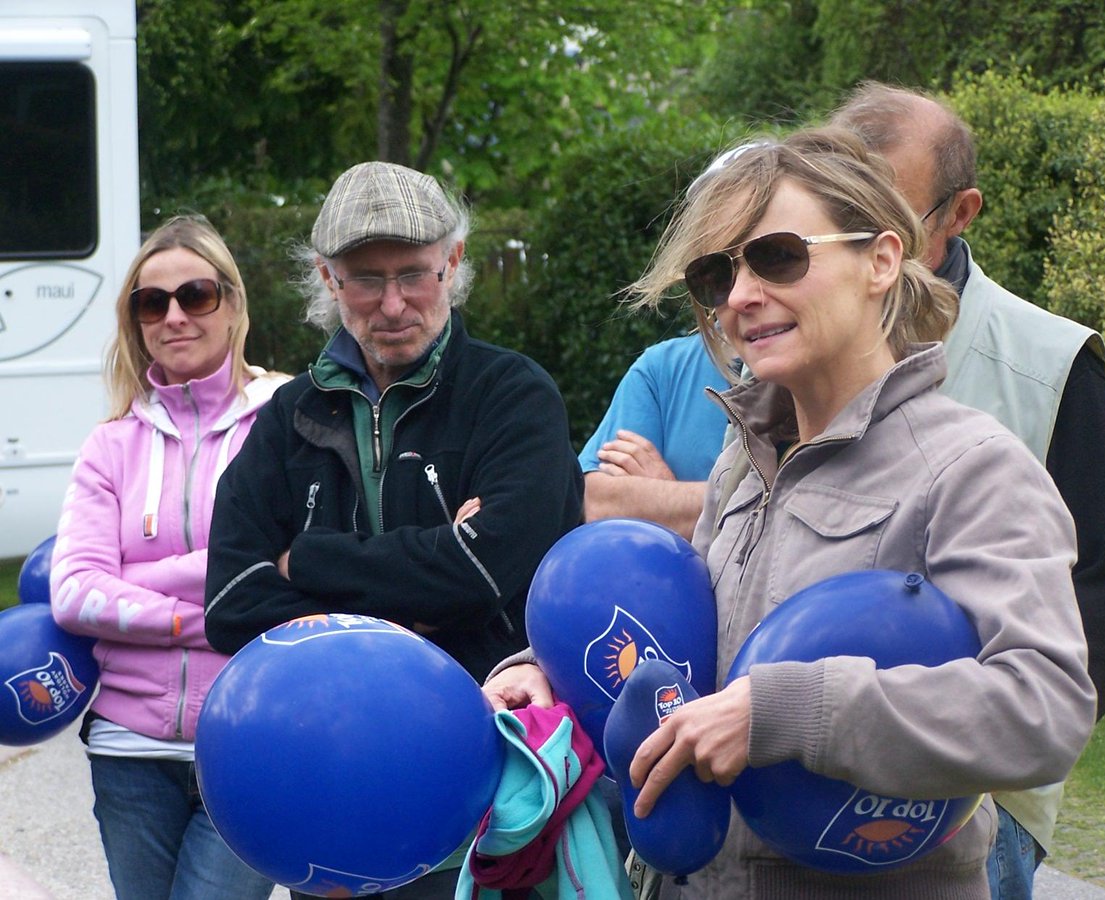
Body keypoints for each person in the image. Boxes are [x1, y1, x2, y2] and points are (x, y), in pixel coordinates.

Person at [483, 127, 1097, 898]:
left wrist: (789, 710)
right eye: (716, 274)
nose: (739, 296)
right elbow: (693, 653)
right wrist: (549, 675)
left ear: (880, 260)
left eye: (777, 256)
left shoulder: (972, 467)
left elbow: (1043, 709)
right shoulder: (745, 461)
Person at [203, 161, 584, 899]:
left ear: (454, 262)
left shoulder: (513, 396)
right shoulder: (289, 418)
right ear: (327, 278)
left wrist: (304, 560)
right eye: (364, 279)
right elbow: (229, 602)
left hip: (483, 788)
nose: (393, 303)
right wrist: (417, 596)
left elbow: (489, 572)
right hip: (328, 789)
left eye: (415, 273)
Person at [829, 81, 1105, 899]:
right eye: (836, 210)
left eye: (886, 219)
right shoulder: (794, 345)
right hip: (792, 771)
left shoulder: (1052, 363)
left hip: (971, 809)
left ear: (960, 212)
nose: (856, 243)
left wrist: (996, 754)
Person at [48, 215, 286, 900]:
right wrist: (205, 614)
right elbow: (73, 593)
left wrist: (133, 581)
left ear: (233, 304)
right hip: (128, 752)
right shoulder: (110, 445)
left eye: (196, 295)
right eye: (153, 302)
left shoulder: (284, 420)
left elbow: (294, 568)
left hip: (249, 744)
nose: (175, 315)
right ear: (136, 320)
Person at [578, 331, 734, 541]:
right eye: (721, 294)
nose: (739, 299)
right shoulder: (662, 366)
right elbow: (596, 503)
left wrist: (666, 499)